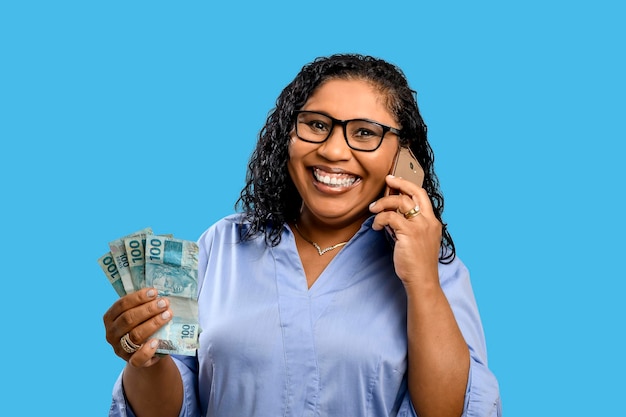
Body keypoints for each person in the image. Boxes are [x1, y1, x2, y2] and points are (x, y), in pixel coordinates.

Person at [104, 53, 501, 417]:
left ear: (403, 155)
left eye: (364, 133)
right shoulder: (221, 246)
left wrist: (423, 281)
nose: (332, 150)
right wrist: (145, 358)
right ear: (287, 135)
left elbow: (450, 411)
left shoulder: (437, 269)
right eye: (316, 125)